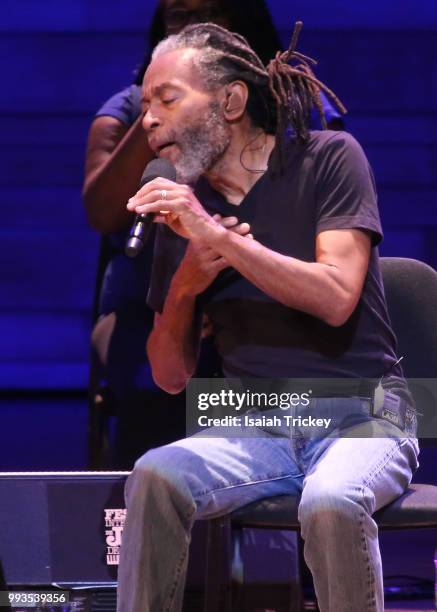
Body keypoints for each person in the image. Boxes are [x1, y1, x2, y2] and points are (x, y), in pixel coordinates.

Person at [116, 21, 419, 612]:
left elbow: (335, 298)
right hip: (254, 423)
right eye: (145, 103)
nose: (147, 119)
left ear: (230, 101)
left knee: (330, 500)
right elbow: (169, 376)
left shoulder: (329, 158)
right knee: (154, 476)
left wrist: (220, 240)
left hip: (370, 410)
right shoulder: (183, 211)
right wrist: (184, 286)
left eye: (167, 98)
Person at [82, 0, 344, 468]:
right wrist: (163, 109)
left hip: (286, 318)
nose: (191, 26)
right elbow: (103, 211)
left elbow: (332, 295)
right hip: (168, 312)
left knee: (299, 408)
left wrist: (228, 253)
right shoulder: (171, 184)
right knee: (166, 415)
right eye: (177, 15)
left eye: (209, 13)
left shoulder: (326, 153)